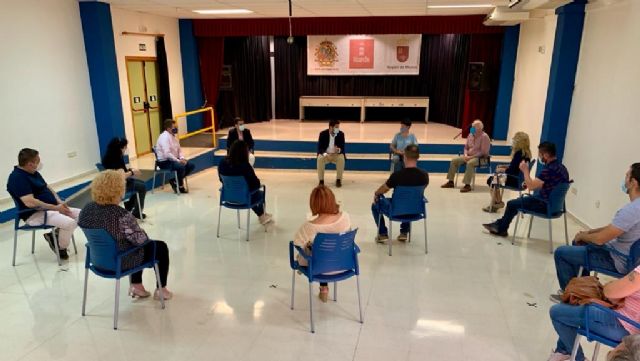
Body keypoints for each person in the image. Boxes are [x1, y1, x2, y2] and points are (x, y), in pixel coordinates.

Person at [550, 163, 640, 302]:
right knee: (579, 242)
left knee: (561, 253)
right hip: (628, 257)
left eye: (627, 176)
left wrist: (583, 235)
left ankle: (571, 298)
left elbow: (600, 240)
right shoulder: (636, 207)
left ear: (633, 182)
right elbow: (613, 228)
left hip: (617, 259)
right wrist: (590, 232)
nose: (624, 179)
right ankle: (581, 288)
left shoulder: (632, 210)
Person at [78, 170, 172, 300]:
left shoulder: (86, 209)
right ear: (118, 190)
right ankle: (161, 290)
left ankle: (137, 286)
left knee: (128, 244)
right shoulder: (119, 214)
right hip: (119, 262)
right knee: (159, 247)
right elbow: (141, 240)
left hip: (97, 260)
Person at [547, 266, 640, 361]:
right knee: (574, 304)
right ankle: (563, 350)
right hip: (631, 331)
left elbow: (609, 292)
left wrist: (612, 288)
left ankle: (578, 358)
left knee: (557, 312)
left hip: (624, 326)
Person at [483, 142, 570, 237]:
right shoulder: (562, 168)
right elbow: (549, 185)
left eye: (540, 154)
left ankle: (501, 228)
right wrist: (530, 181)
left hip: (544, 204)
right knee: (516, 202)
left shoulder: (548, 170)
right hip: (555, 206)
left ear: (546, 155)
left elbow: (531, 186)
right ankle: (499, 225)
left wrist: (525, 170)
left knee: (512, 204)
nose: (540, 157)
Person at [6, 148, 80, 260]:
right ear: (30, 164)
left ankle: (54, 235)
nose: (40, 162)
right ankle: (60, 247)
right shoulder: (17, 178)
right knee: (69, 223)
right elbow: (30, 202)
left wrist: (59, 201)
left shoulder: (33, 172)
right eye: (38, 160)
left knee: (84, 215)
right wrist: (56, 208)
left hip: (52, 209)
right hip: (34, 214)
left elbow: (47, 187)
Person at [293, 185, 351, 302]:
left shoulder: (309, 226)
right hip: (344, 264)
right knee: (325, 249)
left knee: (311, 250)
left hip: (320, 268)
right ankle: (324, 289)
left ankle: (323, 288)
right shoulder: (345, 217)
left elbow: (297, 243)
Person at [372, 144, 429, 243]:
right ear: (418, 157)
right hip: (416, 210)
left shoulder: (396, 176)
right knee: (410, 199)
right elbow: (422, 189)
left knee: (375, 205)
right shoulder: (425, 175)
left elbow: (384, 189)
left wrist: (376, 193)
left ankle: (382, 234)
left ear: (404, 157)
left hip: (395, 211)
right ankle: (404, 232)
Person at [218, 140, 273, 225]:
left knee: (246, 192)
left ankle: (261, 215)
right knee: (258, 193)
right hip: (244, 199)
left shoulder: (222, 163)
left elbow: (221, 179)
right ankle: (262, 215)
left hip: (227, 197)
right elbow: (256, 184)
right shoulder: (245, 166)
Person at [483, 131, 532, 213]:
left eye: (514, 139)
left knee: (491, 180)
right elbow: (515, 167)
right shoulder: (526, 154)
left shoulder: (519, 154)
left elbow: (511, 171)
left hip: (514, 180)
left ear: (519, 142)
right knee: (494, 179)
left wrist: (501, 169)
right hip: (519, 179)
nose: (512, 141)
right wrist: (504, 166)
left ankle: (497, 202)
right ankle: (497, 202)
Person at [101, 137, 147, 219]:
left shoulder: (109, 156)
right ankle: (136, 212)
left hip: (113, 183)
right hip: (118, 185)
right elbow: (120, 175)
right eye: (125, 147)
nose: (126, 149)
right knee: (142, 187)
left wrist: (130, 171)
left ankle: (129, 205)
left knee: (140, 184)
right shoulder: (116, 159)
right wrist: (132, 172)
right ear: (121, 147)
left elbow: (121, 171)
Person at [441, 119, 491, 193]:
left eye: (474, 127)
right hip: (468, 156)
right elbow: (466, 147)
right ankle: (450, 182)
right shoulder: (470, 135)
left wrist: (470, 157)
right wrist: (465, 155)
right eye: (472, 126)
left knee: (470, 163)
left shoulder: (485, 137)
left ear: (480, 128)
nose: (472, 128)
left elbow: (483, 152)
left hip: (481, 158)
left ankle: (467, 185)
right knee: (454, 160)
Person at [156, 119, 195, 193]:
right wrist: (178, 161)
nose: (176, 129)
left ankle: (174, 180)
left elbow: (179, 150)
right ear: (168, 129)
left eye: (176, 127)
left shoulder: (174, 137)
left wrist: (182, 158)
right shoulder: (164, 137)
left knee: (191, 165)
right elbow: (167, 154)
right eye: (174, 127)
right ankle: (180, 186)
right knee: (181, 167)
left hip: (174, 160)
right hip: (164, 162)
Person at [317, 119, 346, 188]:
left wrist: (338, 150)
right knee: (320, 158)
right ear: (331, 127)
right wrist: (325, 154)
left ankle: (338, 179)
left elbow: (343, 148)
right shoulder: (322, 134)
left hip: (336, 155)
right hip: (326, 154)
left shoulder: (341, 134)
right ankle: (321, 181)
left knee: (341, 159)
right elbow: (319, 148)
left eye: (338, 127)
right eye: (336, 127)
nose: (338, 129)